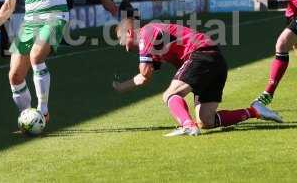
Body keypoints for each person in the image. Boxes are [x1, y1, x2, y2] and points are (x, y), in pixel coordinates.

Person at [113, 18, 282, 136]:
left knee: (170, 95)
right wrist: (121, 87)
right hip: (214, 61)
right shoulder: (152, 44)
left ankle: (187, 126)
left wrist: (135, 75)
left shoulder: (146, 32)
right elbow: (145, 76)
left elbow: (144, 70)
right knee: (207, 121)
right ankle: (254, 111)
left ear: (129, 32)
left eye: (120, 40)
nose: (122, 46)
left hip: (201, 55)